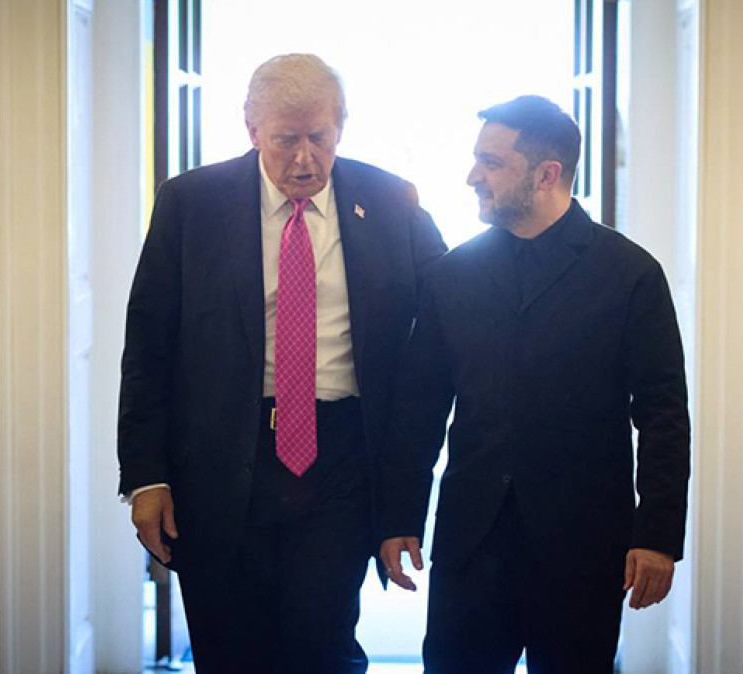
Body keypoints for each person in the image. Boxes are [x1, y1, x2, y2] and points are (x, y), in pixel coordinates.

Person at [118, 53, 446, 673]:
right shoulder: (191, 203)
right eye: (284, 140)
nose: (304, 159)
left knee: (322, 645)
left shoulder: (389, 200)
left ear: (341, 126)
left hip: (340, 459)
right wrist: (146, 476)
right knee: (229, 649)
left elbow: (455, 297)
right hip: (220, 462)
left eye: (318, 138)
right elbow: (148, 348)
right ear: (252, 130)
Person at [377, 95, 691, 673]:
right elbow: (418, 410)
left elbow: (663, 414)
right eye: (477, 159)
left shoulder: (630, 274)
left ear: (548, 174)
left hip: (585, 545)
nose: (473, 176)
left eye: (492, 163)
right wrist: (398, 516)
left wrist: (658, 535)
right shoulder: (451, 276)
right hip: (471, 542)